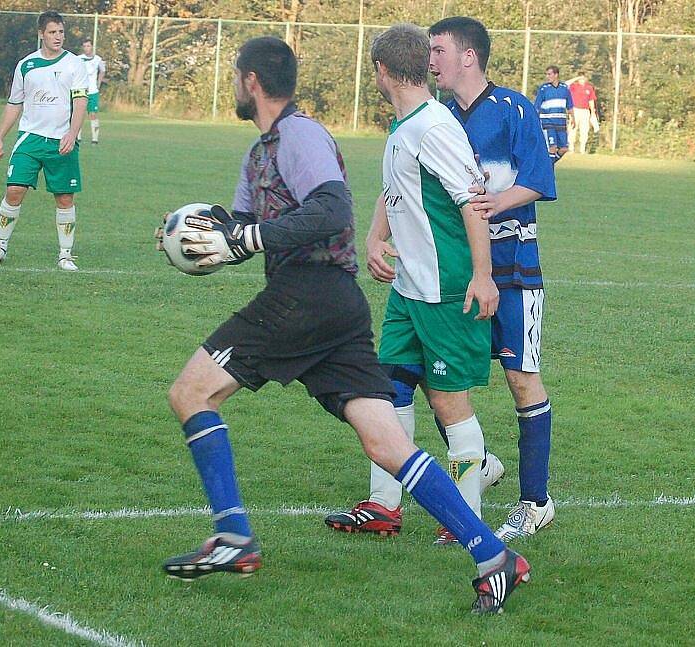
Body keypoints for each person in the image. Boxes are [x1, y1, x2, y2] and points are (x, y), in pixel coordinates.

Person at [157, 35, 530, 614]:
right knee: (386, 442)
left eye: (236, 76)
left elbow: (330, 210)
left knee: (190, 392)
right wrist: (202, 234)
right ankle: (491, 554)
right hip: (334, 308)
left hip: (305, 295)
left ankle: (233, 536)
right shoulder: (261, 152)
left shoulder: (300, 135)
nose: (234, 84)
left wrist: (250, 237)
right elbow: (248, 225)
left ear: (252, 81)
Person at [323, 24, 504, 547]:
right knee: (388, 389)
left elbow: (473, 203)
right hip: (409, 287)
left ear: (381, 71)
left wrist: (483, 277)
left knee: (450, 404)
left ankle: (466, 519)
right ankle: (384, 505)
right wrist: (376, 237)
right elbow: (396, 188)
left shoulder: (435, 128)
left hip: (447, 288)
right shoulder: (406, 125)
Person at [428, 16, 557, 540]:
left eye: (438, 50)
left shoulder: (514, 109)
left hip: (514, 270)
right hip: (459, 272)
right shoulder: (434, 117)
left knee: (521, 378)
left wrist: (494, 203)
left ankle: (535, 502)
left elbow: (538, 179)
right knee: (441, 378)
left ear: (468, 56)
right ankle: (478, 464)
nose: (430, 59)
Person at [0, 10, 88, 272]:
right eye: (52, 32)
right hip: (29, 139)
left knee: (64, 198)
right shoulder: (26, 65)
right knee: (14, 190)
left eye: (61, 32)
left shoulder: (75, 64)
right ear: (41, 34)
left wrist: (72, 134)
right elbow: (14, 104)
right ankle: (0, 246)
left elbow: (80, 101)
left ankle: (65, 255)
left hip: (61, 140)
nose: (58, 37)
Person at [534, 65, 574, 164]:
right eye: (547, 74)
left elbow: (569, 105)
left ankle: (547, 165)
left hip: (561, 122)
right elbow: (537, 106)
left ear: (556, 75)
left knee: (564, 148)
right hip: (547, 122)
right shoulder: (544, 88)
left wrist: (573, 118)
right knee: (552, 147)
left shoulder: (564, 88)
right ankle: (549, 172)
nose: (548, 76)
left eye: (549, 74)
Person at [79, 38, 105, 144]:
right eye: (84, 46)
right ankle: (78, 137)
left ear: (92, 47)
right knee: (79, 113)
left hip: (93, 91)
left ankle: (95, 139)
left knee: (93, 114)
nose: (86, 48)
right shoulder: (78, 59)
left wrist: (99, 83)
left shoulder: (98, 59)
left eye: (88, 46)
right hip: (81, 90)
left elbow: (102, 71)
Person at [567, 73, 599, 154]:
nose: (582, 80)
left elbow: (591, 100)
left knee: (584, 130)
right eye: (581, 78)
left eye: (583, 78)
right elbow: (566, 83)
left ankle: (582, 149)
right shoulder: (574, 86)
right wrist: (576, 78)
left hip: (585, 111)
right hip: (575, 110)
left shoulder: (589, 88)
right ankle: (571, 148)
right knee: (573, 128)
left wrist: (592, 112)